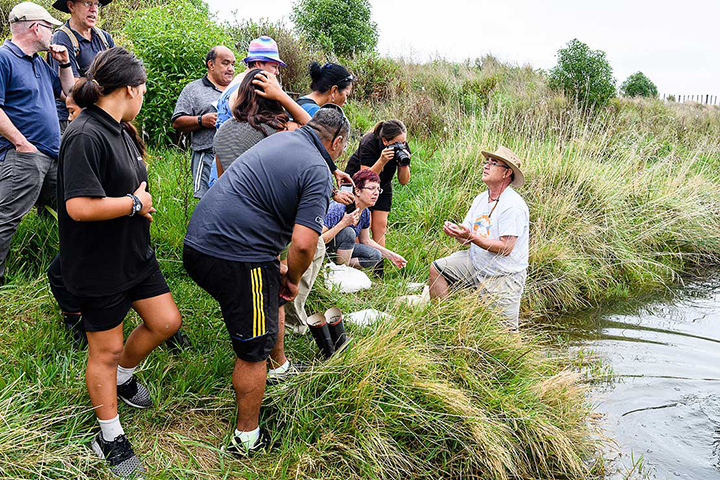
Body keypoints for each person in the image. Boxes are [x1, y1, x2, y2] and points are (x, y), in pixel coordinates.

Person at [183, 107, 349, 455]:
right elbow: (304, 244)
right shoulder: (317, 170)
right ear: (336, 142)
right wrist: (295, 278)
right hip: (233, 256)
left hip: (200, 240)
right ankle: (247, 438)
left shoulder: (284, 139)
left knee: (269, 292)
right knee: (252, 348)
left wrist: (280, 273)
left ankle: (280, 366)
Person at [57, 47, 182, 478]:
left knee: (166, 322)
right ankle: (108, 434)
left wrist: (137, 207)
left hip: (134, 254)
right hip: (98, 264)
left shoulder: (120, 128)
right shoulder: (85, 134)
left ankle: (125, 378)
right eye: (144, 87)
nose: (144, 93)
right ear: (131, 88)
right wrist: (133, 203)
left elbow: (119, 190)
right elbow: (79, 207)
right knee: (105, 349)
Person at [0, 2, 74, 285]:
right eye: (50, 28)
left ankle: (80, 267)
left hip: (52, 156)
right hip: (24, 155)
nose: (53, 35)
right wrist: (21, 143)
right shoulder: (4, 58)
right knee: (6, 217)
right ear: (35, 27)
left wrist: (64, 62)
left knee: (74, 206)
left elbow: (69, 93)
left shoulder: (41, 63)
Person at [428, 146, 529, 331]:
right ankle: (442, 324)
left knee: (505, 335)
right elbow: (468, 238)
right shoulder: (481, 199)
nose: (486, 166)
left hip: (503, 276)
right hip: (476, 263)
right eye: (486, 162)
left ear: (507, 172)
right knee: (438, 269)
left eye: (493, 163)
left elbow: (506, 248)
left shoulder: (513, 205)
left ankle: (514, 356)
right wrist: (458, 234)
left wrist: (471, 237)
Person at [172, 45, 235, 198]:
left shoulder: (237, 89)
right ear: (211, 65)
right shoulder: (193, 89)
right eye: (225, 63)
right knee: (207, 202)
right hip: (206, 155)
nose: (231, 69)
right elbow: (177, 122)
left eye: (233, 64)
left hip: (234, 156)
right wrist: (201, 120)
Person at [345, 120, 411, 252]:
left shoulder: (402, 147)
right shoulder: (369, 142)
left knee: (380, 226)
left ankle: (378, 266)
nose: (401, 146)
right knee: (361, 224)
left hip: (383, 184)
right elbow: (364, 178)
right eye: (397, 143)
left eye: (404, 142)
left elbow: (404, 181)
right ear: (385, 141)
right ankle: (359, 260)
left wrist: (404, 165)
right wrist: (382, 160)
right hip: (359, 185)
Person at [49, 0, 114, 133]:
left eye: (96, 4)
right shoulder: (62, 38)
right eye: (88, 3)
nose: (93, 9)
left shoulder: (104, 38)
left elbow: (119, 72)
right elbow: (72, 88)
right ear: (71, 6)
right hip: (71, 119)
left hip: (101, 114)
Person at [324, 169, 407, 270]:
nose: (376, 193)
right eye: (372, 188)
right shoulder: (339, 207)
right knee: (349, 232)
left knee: (375, 255)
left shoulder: (365, 212)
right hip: (324, 249)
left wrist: (392, 256)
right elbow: (317, 239)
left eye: (378, 190)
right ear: (358, 191)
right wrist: (343, 223)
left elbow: (366, 240)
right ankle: (340, 271)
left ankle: (336, 267)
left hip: (342, 249)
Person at [214, 36, 285, 130]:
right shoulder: (249, 90)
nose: (277, 72)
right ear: (258, 64)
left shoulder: (238, 81)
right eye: (274, 66)